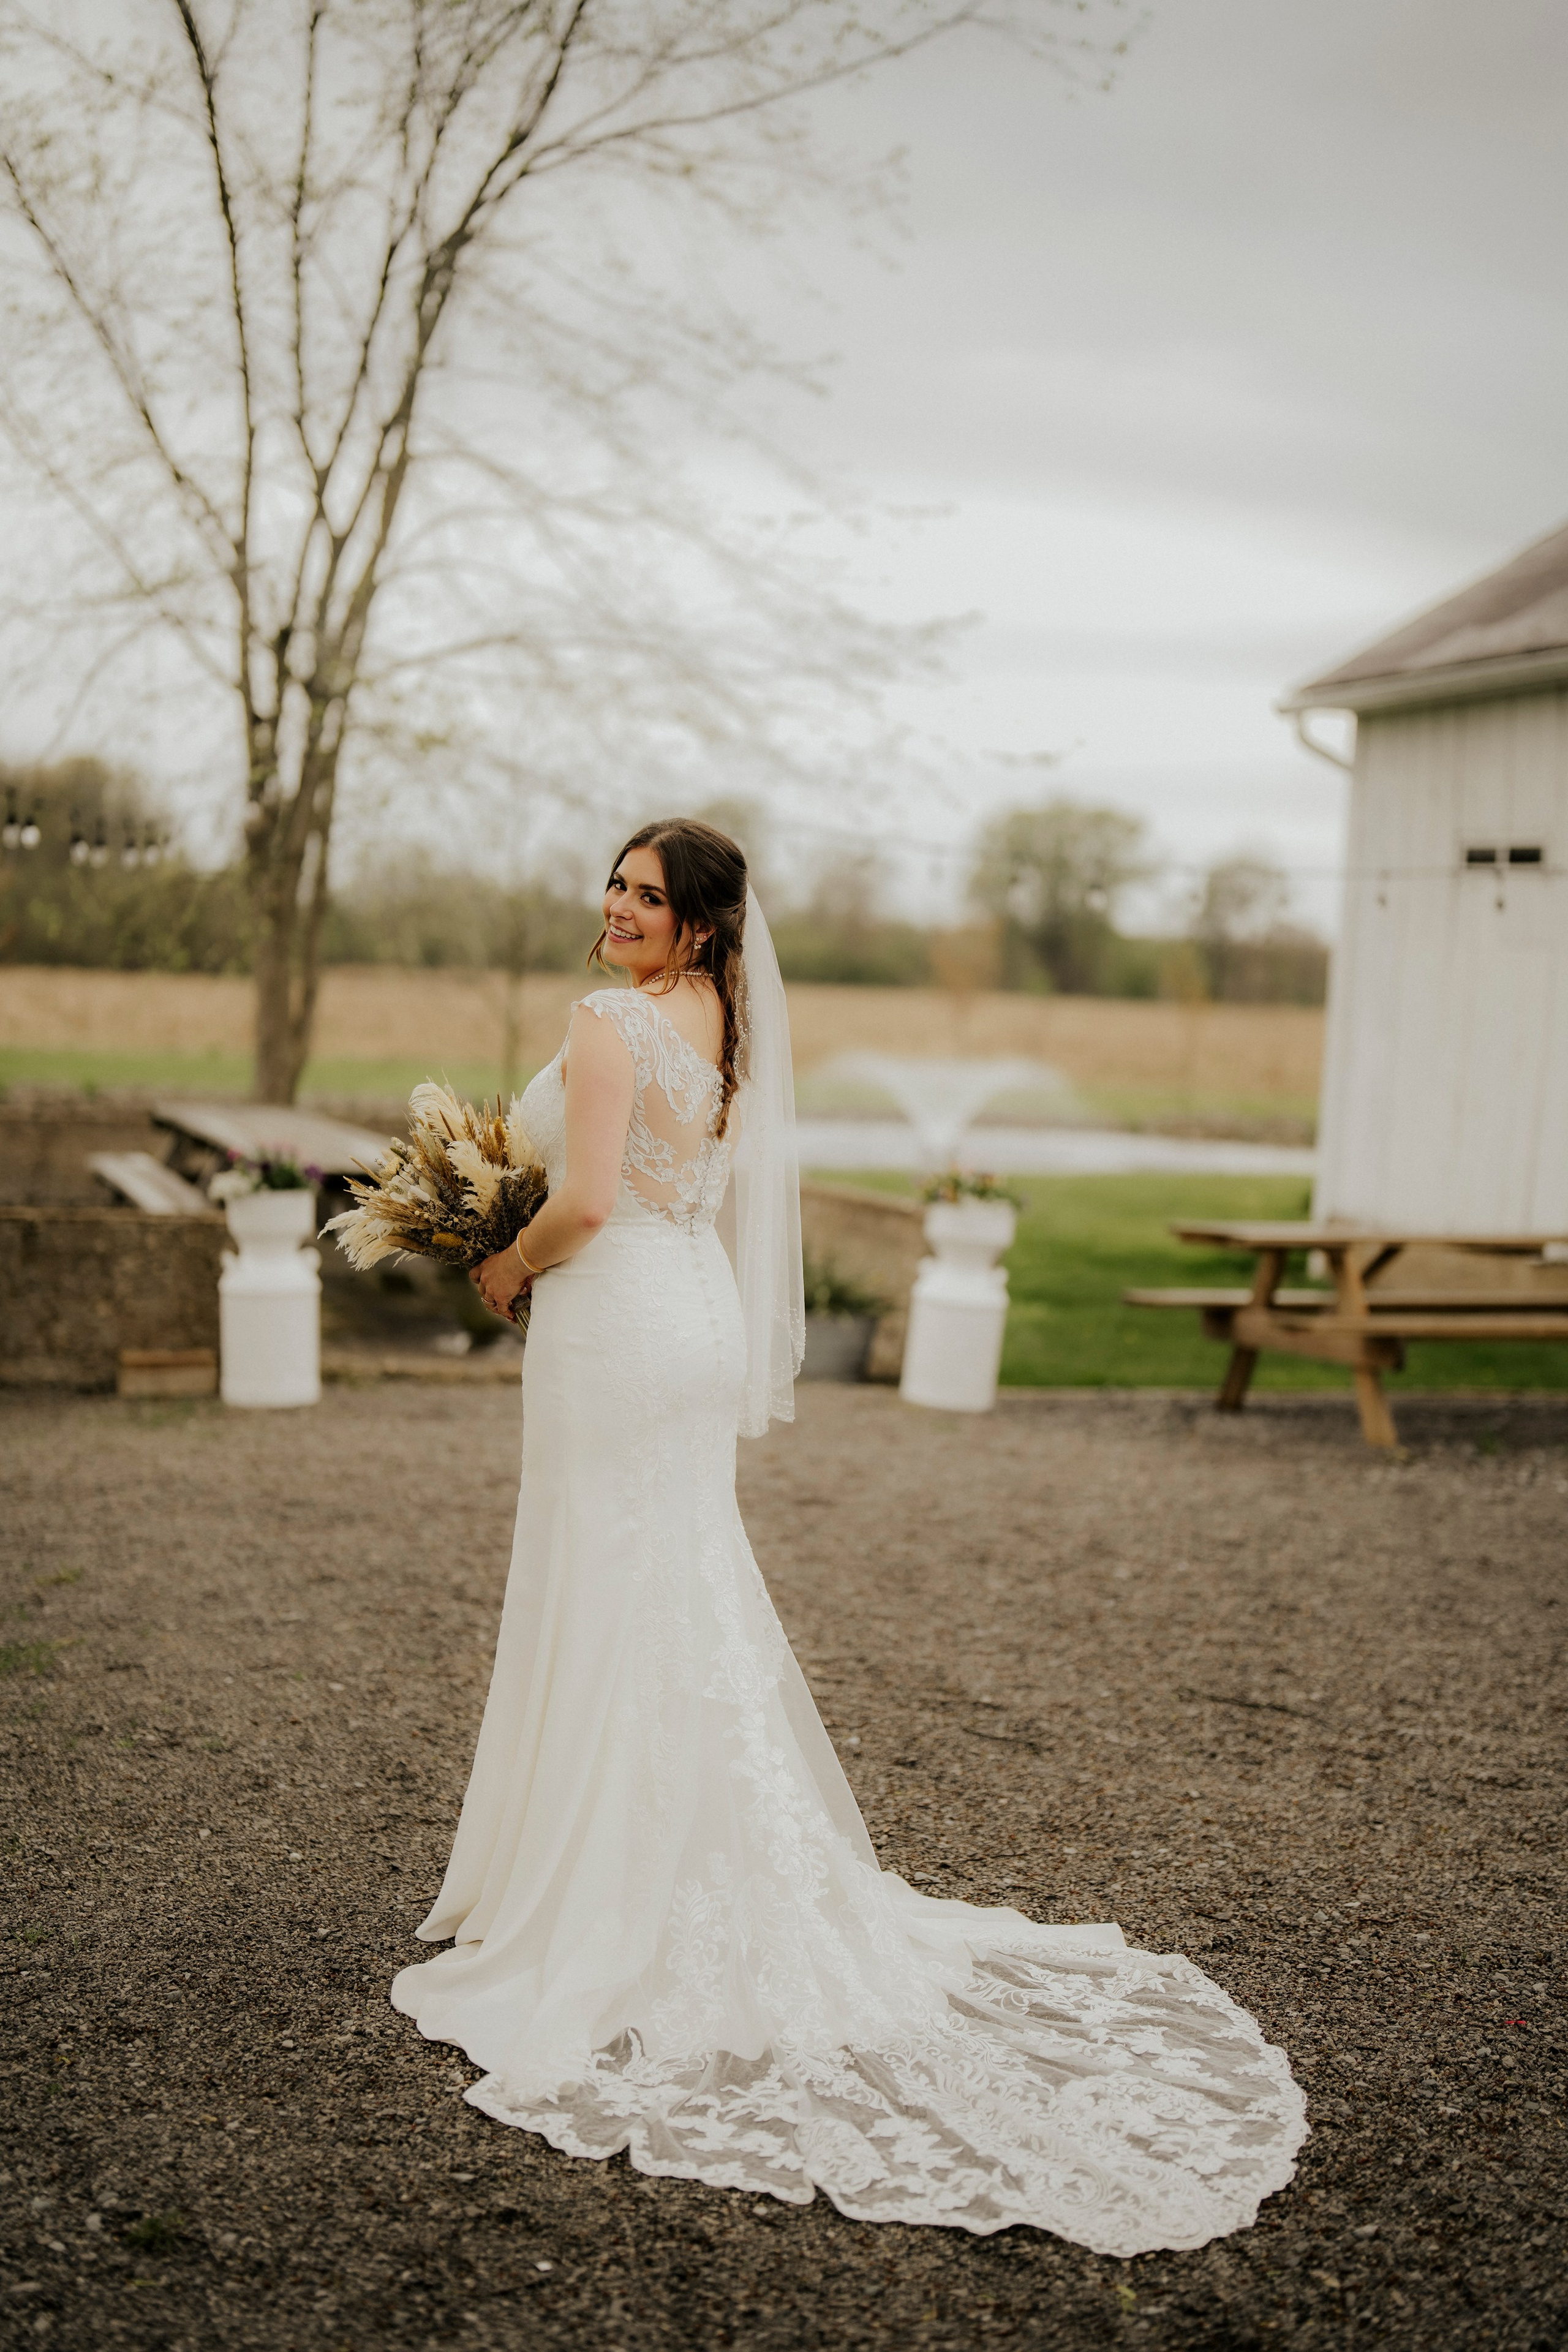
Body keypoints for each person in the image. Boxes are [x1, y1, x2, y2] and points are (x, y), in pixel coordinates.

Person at [391, 818, 1307, 2250]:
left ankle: (592, 1897)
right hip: (689, 1312)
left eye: (649, 896)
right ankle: (667, 1861)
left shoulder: (610, 1019)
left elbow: (577, 1201)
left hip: (620, 1322)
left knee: (607, 1586)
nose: (620, 908)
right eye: (616, 886)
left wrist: (502, 1259)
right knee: (673, 1584)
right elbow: (678, 1187)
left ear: (699, 925)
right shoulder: (727, 1022)